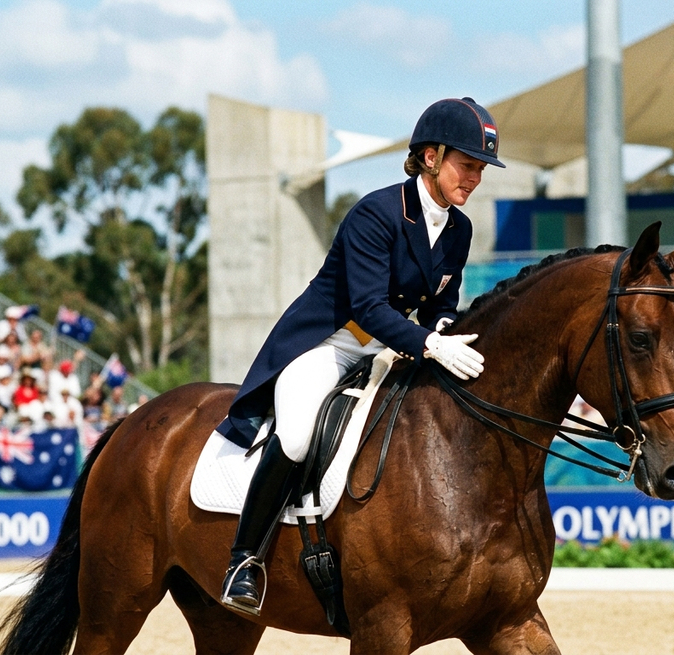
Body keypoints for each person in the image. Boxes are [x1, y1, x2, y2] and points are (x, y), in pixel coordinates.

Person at [215, 97, 503, 614]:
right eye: (468, 165)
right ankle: (245, 560)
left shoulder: (459, 229)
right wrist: (430, 344)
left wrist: (443, 329)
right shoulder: (376, 212)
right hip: (332, 341)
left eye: (481, 169)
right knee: (300, 428)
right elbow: (369, 308)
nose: (475, 179)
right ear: (432, 157)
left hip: (394, 350)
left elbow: (441, 302)